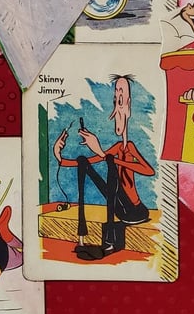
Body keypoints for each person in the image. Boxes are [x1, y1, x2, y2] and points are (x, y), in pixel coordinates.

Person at [53, 75, 154, 260]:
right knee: (83, 161)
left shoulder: (130, 147)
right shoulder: (116, 148)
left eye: (121, 101)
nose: (116, 107)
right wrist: (60, 158)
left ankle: (109, 244)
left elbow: (149, 171)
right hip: (120, 209)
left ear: (129, 105)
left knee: (109, 163)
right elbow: (94, 160)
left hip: (136, 211)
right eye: (115, 100)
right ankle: (81, 238)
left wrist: (108, 157)